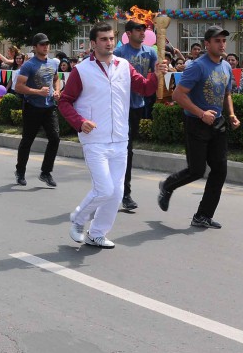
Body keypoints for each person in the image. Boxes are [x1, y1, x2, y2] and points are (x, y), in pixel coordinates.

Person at [59, 22, 167, 248]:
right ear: (93, 43)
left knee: (116, 193)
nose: (108, 43)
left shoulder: (124, 66)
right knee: (104, 189)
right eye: (103, 39)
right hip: (95, 138)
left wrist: (157, 75)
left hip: (120, 137)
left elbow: (145, 89)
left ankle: (97, 233)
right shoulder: (82, 70)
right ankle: (79, 219)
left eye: (111, 38)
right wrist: (80, 122)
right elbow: (65, 102)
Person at [158, 26, 240, 229]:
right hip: (196, 123)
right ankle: (168, 185)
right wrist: (201, 114)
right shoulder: (197, 66)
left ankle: (203, 215)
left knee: (220, 170)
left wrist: (231, 114)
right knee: (197, 170)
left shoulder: (226, 67)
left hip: (218, 123)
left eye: (223, 41)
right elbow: (178, 95)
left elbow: (227, 94)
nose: (222, 44)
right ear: (207, 44)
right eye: (217, 41)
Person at [114, 20, 158, 210]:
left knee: (128, 149)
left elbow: (157, 74)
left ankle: (123, 192)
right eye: (138, 29)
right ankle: (123, 192)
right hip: (118, 106)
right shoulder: (120, 53)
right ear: (129, 33)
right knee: (121, 149)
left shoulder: (151, 52)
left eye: (144, 29)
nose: (142, 32)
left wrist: (163, 71)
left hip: (138, 105)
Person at [14, 32, 60, 187]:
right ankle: (20, 172)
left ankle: (46, 172)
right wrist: (37, 92)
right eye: (42, 44)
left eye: (47, 44)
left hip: (49, 107)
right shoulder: (29, 65)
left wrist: (57, 91)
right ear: (35, 47)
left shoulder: (54, 62)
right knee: (27, 141)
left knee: (55, 138)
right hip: (32, 107)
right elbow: (18, 87)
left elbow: (56, 79)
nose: (45, 47)